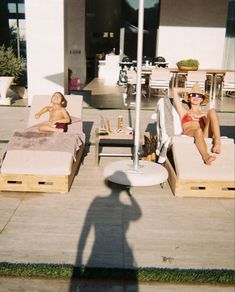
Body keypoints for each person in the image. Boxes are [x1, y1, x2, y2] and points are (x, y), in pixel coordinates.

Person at [172, 83, 221, 165]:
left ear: (202, 100)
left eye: (199, 96)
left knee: (212, 111)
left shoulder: (204, 113)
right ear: (189, 98)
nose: (196, 97)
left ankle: (218, 142)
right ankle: (206, 156)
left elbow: (211, 125)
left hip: (203, 134)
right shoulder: (184, 112)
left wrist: (203, 115)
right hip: (190, 132)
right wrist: (190, 91)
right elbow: (174, 90)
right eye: (193, 95)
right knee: (198, 130)